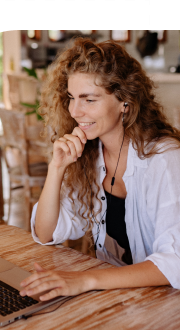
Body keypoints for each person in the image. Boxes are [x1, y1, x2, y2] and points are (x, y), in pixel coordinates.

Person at [19, 38, 180, 301]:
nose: (75, 111)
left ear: (124, 102)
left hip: (165, 305)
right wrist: (56, 169)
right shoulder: (91, 154)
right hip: (121, 299)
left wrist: (86, 280)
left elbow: (175, 261)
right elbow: (47, 233)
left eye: (89, 100)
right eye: (71, 98)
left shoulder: (164, 158)